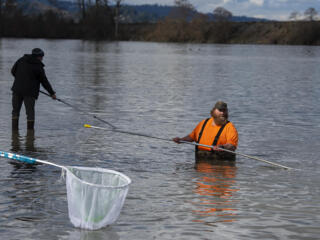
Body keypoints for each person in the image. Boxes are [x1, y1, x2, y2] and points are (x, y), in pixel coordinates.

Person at [173, 101, 238, 160]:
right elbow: (192, 136)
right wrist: (181, 140)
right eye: (220, 110)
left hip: (221, 164)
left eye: (224, 110)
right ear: (213, 111)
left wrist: (222, 147)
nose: (222, 113)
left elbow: (231, 146)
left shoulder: (230, 127)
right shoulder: (204, 123)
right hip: (201, 163)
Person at [11, 48, 56, 131]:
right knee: (30, 113)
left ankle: (14, 132)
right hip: (30, 92)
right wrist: (52, 93)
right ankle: (30, 134)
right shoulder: (38, 66)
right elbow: (44, 81)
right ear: (38, 57)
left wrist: (21, 80)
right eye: (42, 56)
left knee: (15, 111)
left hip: (17, 89)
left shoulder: (21, 60)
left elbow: (13, 71)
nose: (42, 58)